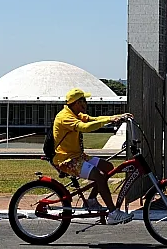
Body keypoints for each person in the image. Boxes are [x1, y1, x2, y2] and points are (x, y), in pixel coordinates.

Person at [52, 88, 133, 225]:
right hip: (66, 160)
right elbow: (84, 127)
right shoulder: (65, 117)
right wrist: (110, 119)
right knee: (98, 176)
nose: (86, 103)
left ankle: (91, 200)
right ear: (78, 102)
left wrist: (115, 117)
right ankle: (113, 213)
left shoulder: (75, 113)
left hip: (78, 156)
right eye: (84, 100)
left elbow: (93, 119)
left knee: (108, 167)